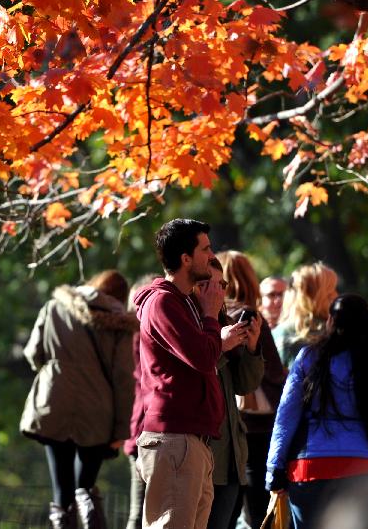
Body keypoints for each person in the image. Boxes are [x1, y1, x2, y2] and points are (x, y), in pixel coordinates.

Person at [132, 218, 246, 529]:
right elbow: (202, 358)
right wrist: (211, 316)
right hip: (175, 441)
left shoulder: (183, 303)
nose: (212, 256)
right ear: (185, 258)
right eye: (205, 249)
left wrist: (216, 334)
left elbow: (202, 354)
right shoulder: (163, 302)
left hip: (193, 442)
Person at [266, 294, 368, 529]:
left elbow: (286, 417)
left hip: (310, 469)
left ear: (331, 321)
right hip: (362, 470)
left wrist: (274, 468)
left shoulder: (309, 357)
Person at [20, 271, 137, 529]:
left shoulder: (54, 307)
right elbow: (123, 380)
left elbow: (32, 352)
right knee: (85, 490)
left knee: (61, 491)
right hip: (97, 412)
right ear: (121, 296)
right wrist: (121, 430)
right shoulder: (120, 323)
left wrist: (54, 369)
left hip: (54, 403)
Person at [218, 252, 287, 529]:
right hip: (260, 425)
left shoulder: (219, 317)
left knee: (229, 507)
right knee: (259, 509)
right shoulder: (249, 315)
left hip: (233, 422)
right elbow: (268, 369)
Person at [200, 258, 263, 529]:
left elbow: (244, 385)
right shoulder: (186, 325)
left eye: (221, 284)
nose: (216, 291)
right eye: (207, 284)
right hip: (200, 456)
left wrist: (251, 348)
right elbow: (192, 374)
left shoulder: (225, 322)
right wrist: (219, 346)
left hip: (231, 458)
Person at [124, 274, 159, 529]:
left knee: (141, 510)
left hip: (140, 426)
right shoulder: (140, 336)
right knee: (142, 511)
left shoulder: (133, 335)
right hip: (145, 428)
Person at [272, 263, 338, 368]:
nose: (336, 295)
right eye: (331, 290)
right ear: (313, 296)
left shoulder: (280, 334)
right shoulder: (340, 332)